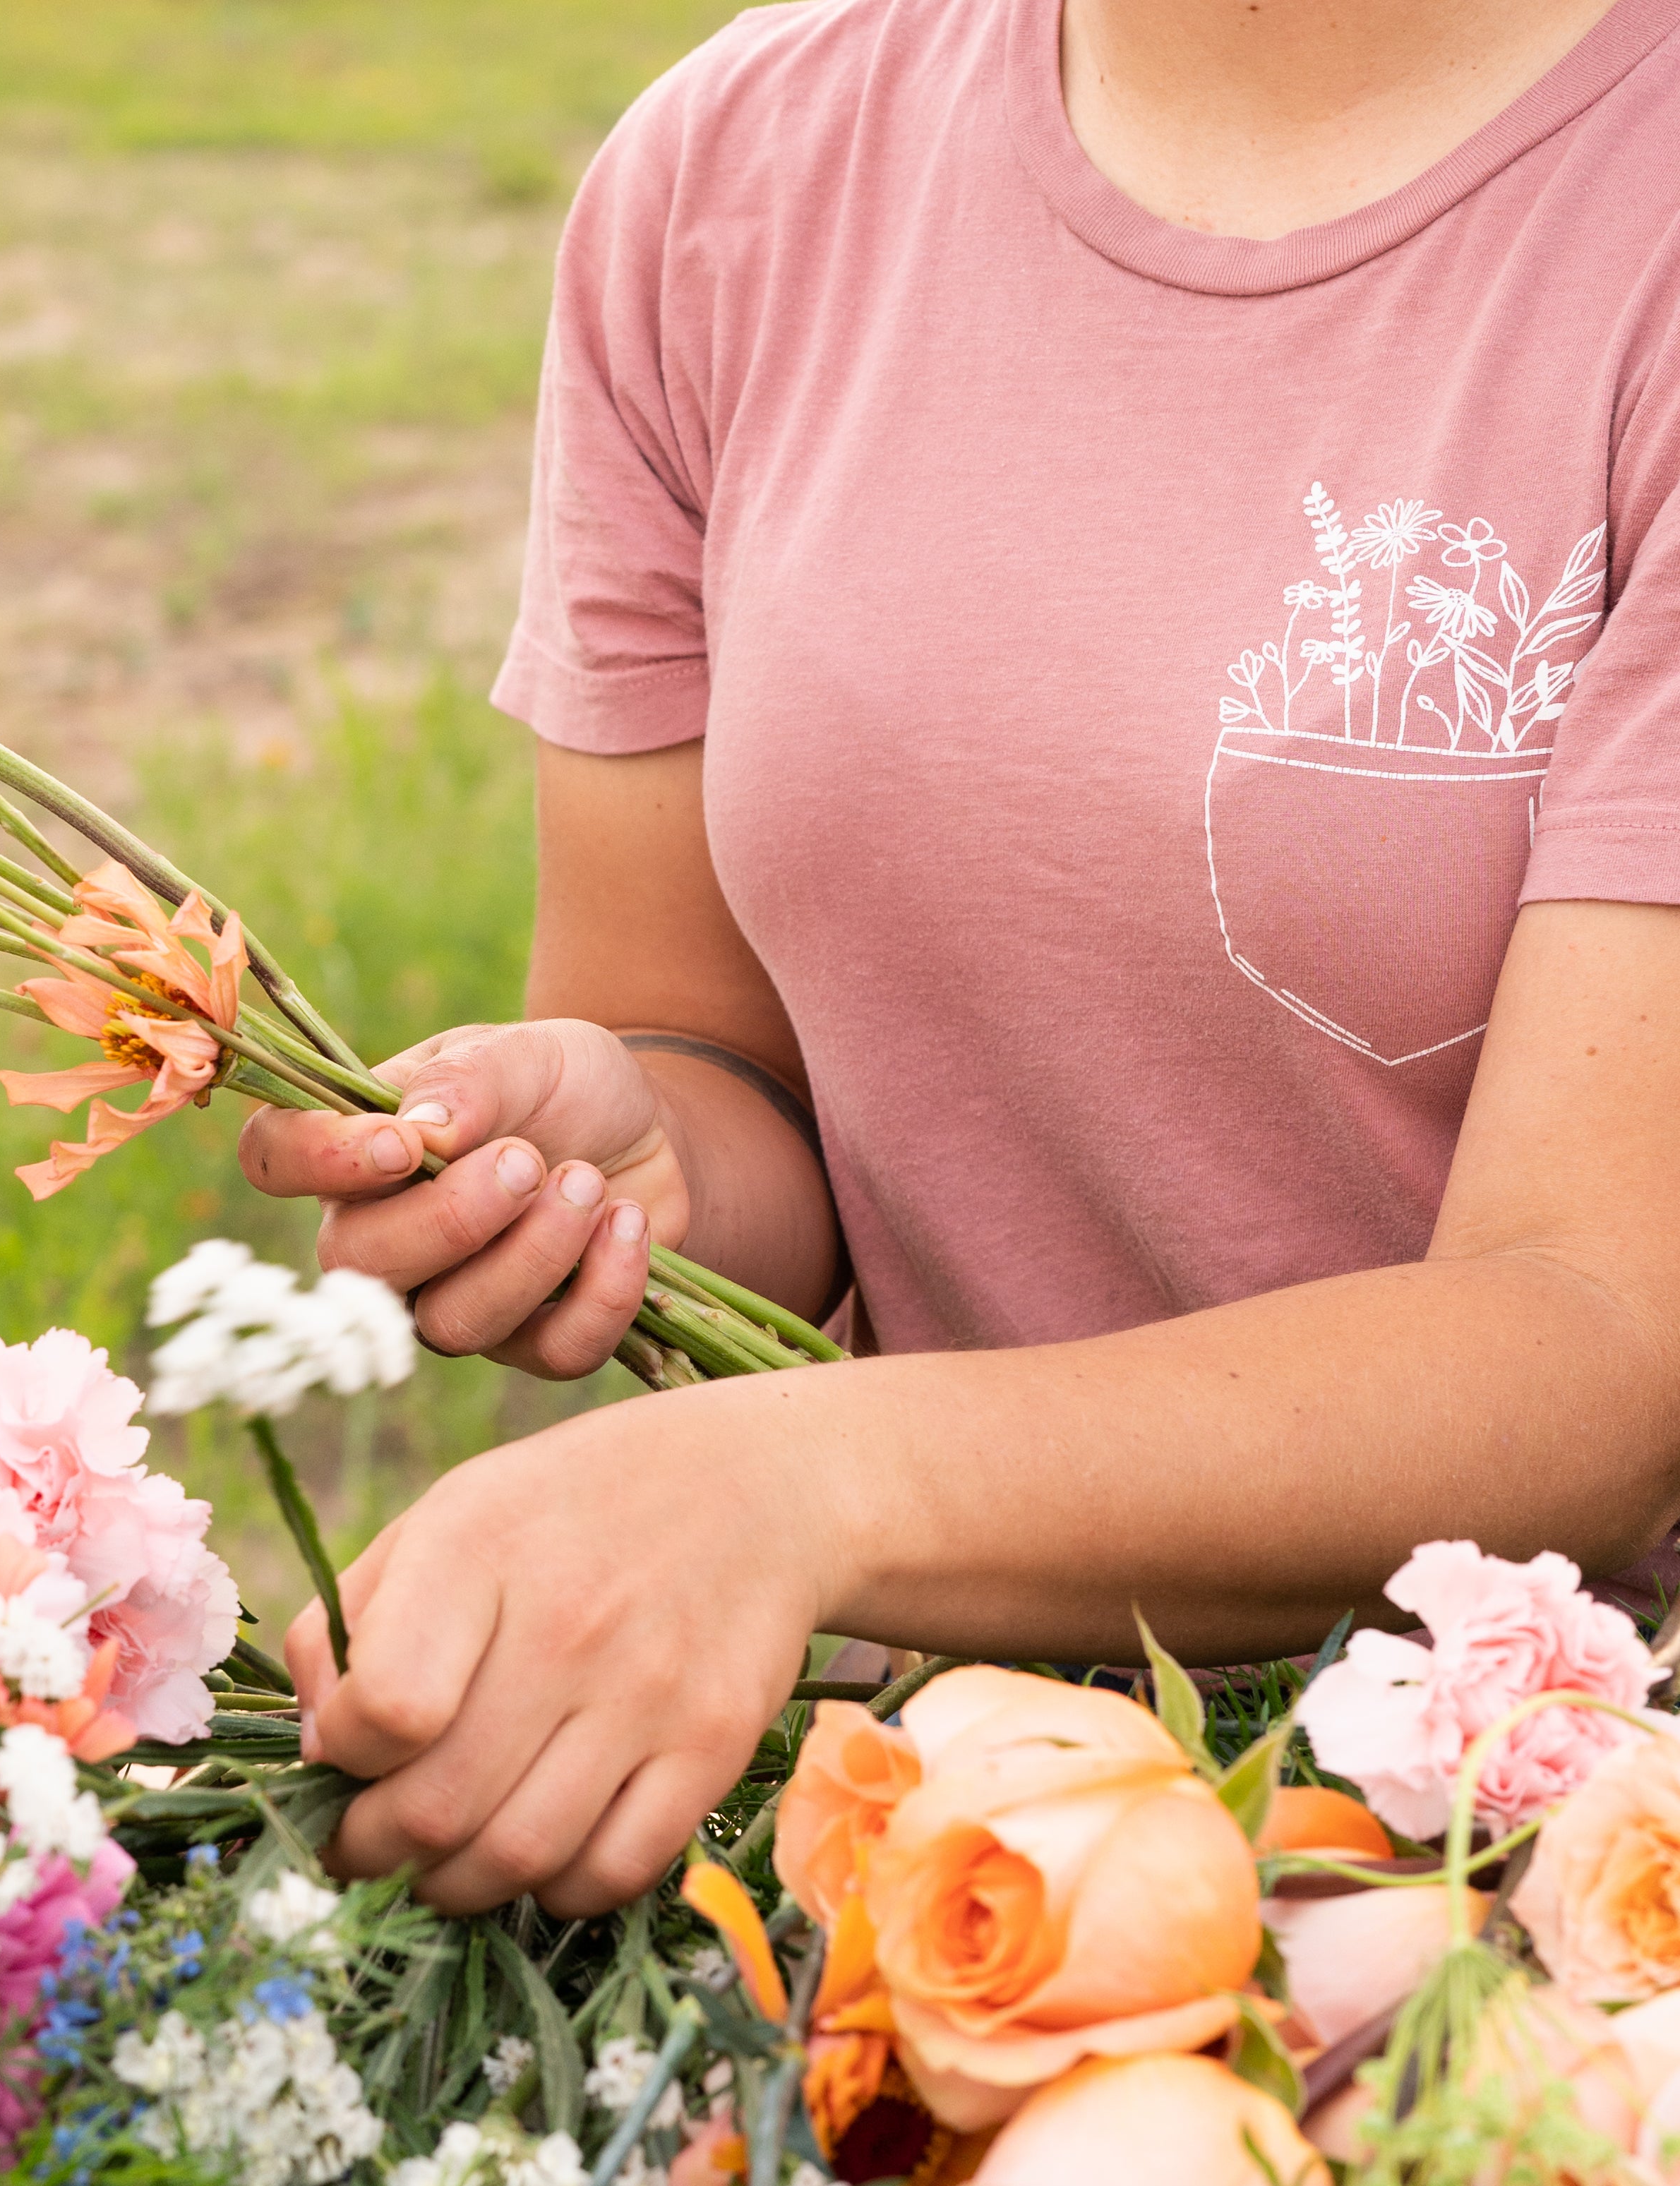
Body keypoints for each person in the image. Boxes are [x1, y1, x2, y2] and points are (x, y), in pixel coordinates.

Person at [241, 0, 1680, 1917]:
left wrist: (810, 1488)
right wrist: (640, 1159)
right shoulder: (737, 173)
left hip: (1567, 1892)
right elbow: (715, 1055)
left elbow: (1600, 1344)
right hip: (950, 1871)